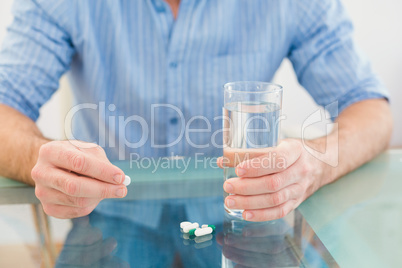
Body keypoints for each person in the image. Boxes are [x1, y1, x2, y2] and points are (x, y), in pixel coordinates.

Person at [0, 0, 392, 222]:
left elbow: (372, 111)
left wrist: (316, 162)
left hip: (241, 220)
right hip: (110, 218)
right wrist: (47, 161)